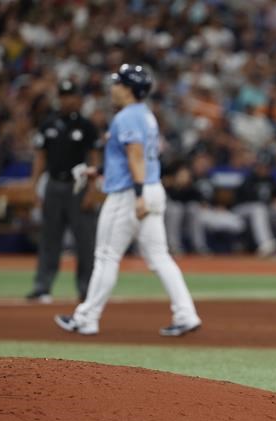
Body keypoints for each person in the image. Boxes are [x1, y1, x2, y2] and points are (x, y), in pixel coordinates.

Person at [54, 64, 201, 336]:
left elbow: (135, 156)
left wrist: (137, 194)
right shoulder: (146, 115)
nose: (114, 87)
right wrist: (96, 171)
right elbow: (131, 158)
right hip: (151, 188)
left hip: (130, 194)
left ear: (129, 89)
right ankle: (186, 314)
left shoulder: (127, 117)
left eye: (118, 83)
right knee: (159, 257)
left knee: (107, 256)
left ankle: (86, 317)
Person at [26, 79, 101, 303]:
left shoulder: (87, 126)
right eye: (63, 95)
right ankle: (42, 286)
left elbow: (95, 160)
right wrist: (34, 186)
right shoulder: (48, 124)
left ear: (79, 99)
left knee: (85, 241)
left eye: (71, 96)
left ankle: (86, 289)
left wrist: (92, 192)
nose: (67, 100)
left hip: (78, 186)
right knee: (49, 238)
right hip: (53, 184)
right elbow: (40, 158)